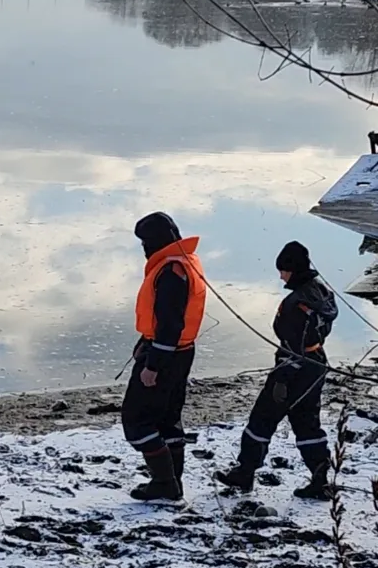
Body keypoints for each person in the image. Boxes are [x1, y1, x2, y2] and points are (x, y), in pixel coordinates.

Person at [215, 241, 338, 500]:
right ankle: (320, 479)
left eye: (283, 270)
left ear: (293, 269)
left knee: (262, 419)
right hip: (317, 364)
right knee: (307, 422)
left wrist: (281, 380)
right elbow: (318, 332)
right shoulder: (323, 293)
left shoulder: (294, 304)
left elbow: (294, 347)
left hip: (292, 370)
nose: (280, 275)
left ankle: (245, 472)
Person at [121, 212, 207, 502]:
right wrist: (143, 343)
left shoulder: (171, 272)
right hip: (181, 351)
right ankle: (173, 482)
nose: (143, 247)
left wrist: (153, 364)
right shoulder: (185, 262)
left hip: (166, 354)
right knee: (169, 419)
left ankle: (164, 483)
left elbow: (170, 323)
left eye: (144, 241)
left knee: (136, 421)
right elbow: (168, 321)